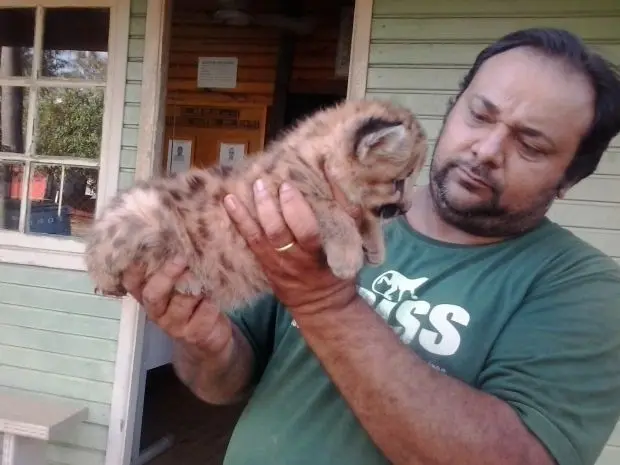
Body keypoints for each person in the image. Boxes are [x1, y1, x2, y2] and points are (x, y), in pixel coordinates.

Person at [122, 27, 620, 465]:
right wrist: (202, 344)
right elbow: (220, 383)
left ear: (569, 179)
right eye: (480, 115)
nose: (486, 150)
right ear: (452, 108)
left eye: (530, 144)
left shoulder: (585, 290)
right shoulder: (317, 218)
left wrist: (323, 300)